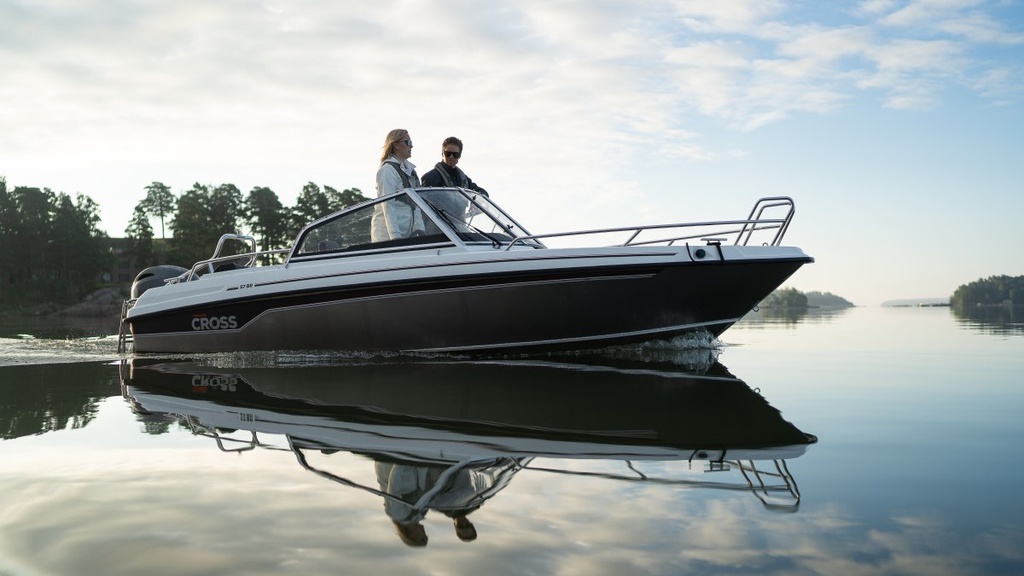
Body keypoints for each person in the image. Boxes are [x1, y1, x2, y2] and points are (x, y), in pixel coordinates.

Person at [371, 129, 424, 241]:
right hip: (387, 238)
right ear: (396, 145)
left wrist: (419, 229)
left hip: (407, 236)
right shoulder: (387, 170)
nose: (411, 146)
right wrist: (395, 237)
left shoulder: (411, 171)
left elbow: (417, 203)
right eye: (407, 142)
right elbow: (387, 205)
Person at [421, 136, 488, 197]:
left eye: (455, 154)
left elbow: (482, 192)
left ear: (459, 156)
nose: (451, 157)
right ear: (442, 153)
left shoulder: (464, 179)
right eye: (448, 153)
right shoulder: (430, 177)